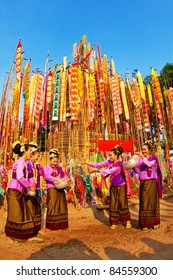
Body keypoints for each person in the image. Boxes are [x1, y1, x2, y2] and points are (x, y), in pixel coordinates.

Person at [82, 146, 132, 229]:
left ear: (116, 155)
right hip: (113, 186)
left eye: (111, 155)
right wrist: (88, 163)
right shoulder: (109, 161)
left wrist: (96, 170)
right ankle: (114, 222)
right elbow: (99, 164)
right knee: (113, 203)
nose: (109, 157)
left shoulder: (119, 164)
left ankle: (128, 221)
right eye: (109, 155)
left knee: (123, 203)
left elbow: (109, 171)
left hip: (121, 186)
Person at [5, 141, 43, 243]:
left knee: (24, 214)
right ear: (25, 152)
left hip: (18, 190)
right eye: (30, 150)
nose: (31, 152)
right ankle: (9, 236)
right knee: (14, 214)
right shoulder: (21, 162)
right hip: (14, 190)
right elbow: (19, 177)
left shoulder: (22, 162)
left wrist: (27, 189)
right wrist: (29, 185)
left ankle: (27, 235)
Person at [134, 140, 162, 231]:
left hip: (152, 182)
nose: (143, 151)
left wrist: (142, 157)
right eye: (142, 149)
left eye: (145, 149)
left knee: (152, 201)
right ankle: (145, 223)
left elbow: (150, 164)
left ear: (149, 150)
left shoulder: (153, 158)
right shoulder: (140, 160)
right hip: (143, 182)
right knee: (144, 201)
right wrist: (133, 164)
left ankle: (154, 222)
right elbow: (137, 170)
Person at [42, 149, 70, 231]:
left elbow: (64, 175)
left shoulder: (59, 167)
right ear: (50, 159)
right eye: (53, 161)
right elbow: (46, 176)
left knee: (60, 206)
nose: (55, 163)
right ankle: (49, 226)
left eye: (56, 162)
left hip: (60, 188)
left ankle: (59, 225)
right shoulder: (45, 168)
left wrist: (67, 179)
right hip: (51, 188)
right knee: (52, 206)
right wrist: (55, 179)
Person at [26, 147, 44, 238]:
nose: (38, 158)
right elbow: (26, 177)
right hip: (30, 190)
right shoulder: (28, 164)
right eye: (37, 156)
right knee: (31, 210)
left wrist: (39, 167)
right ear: (31, 155)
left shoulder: (35, 165)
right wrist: (29, 187)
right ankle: (31, 231)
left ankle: (37, 229)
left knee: (37, 209)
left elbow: (41, 174)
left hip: (36, 189)